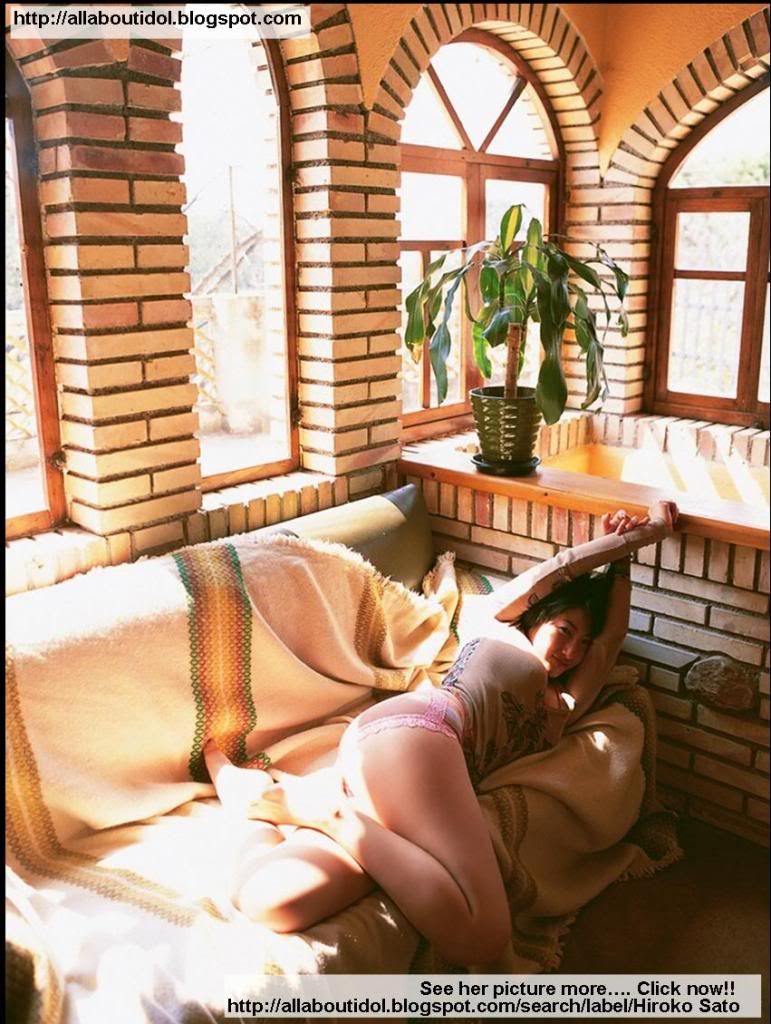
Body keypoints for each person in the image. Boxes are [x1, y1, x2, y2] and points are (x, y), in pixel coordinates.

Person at [204, 500, 678, 966]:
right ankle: (331, 815)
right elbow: (559, 570)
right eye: (565, 629)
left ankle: (254, 801)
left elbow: (609, 642)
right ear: (539, 616)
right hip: (421, 733)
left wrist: (624, 569)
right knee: (483, 938)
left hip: (416, 783)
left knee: (273, 901)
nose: (572, 651)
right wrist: (637, 537)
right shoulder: (497, 627)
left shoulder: (563, 706)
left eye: (582, 644)